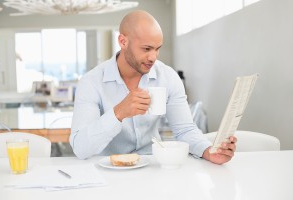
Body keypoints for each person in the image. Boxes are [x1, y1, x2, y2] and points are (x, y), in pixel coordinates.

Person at [70, 10, 237, 165]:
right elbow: (81, 148)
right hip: (107, 168)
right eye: (146, 49)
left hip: (152, 167)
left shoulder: (168, 77)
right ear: (123, 41)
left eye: (157, 49)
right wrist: (118, 113)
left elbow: (185, 130)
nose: (153, 57)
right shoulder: (91, 82)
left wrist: (209, 151)